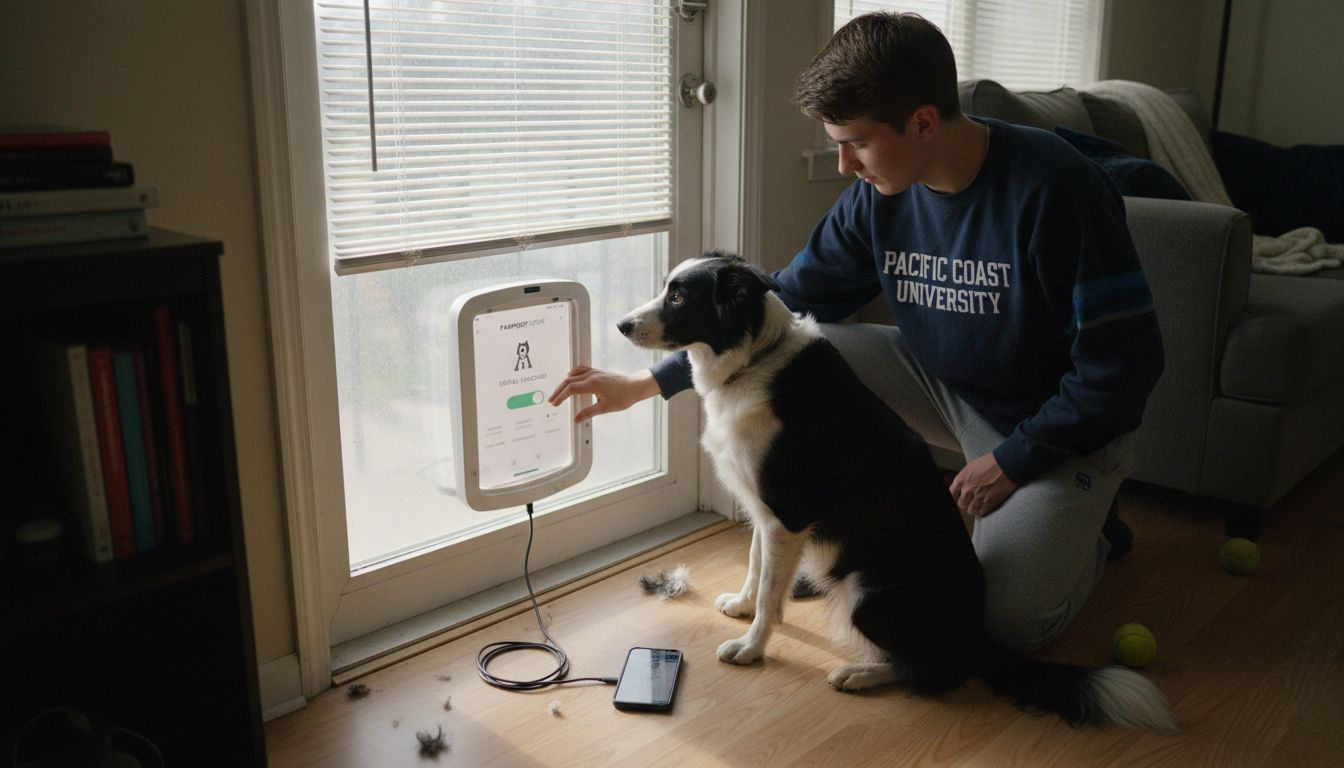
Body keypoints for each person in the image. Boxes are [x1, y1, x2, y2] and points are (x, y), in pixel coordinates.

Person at [548, 11, 1164, 653]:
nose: (843, 164)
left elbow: (1125, 367)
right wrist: (645, 383)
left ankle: (1090, 521)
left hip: (1049, 423)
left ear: (923, 122)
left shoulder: (1058, 190)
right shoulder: (879, 194)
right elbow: (777, 305)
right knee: (806, 345)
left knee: (1006, 624)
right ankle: (851, 536)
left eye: (857, 143)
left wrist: (1013, 460)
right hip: (942, 384)